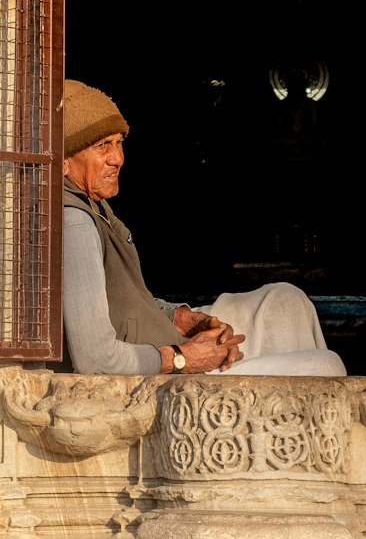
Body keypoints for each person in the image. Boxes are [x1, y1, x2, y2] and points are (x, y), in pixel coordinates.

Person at [61, 79, 345, 377]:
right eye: (101, 146)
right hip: (161, 373)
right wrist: (183, 357)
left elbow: (128, 301)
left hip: (169, 341)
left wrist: (183, 319)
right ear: (65, 160)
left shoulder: (95, 204)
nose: (117, 158)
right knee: (325, 365)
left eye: (118, 142)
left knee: (286, 299)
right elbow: (95, 360)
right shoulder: (76, 222)